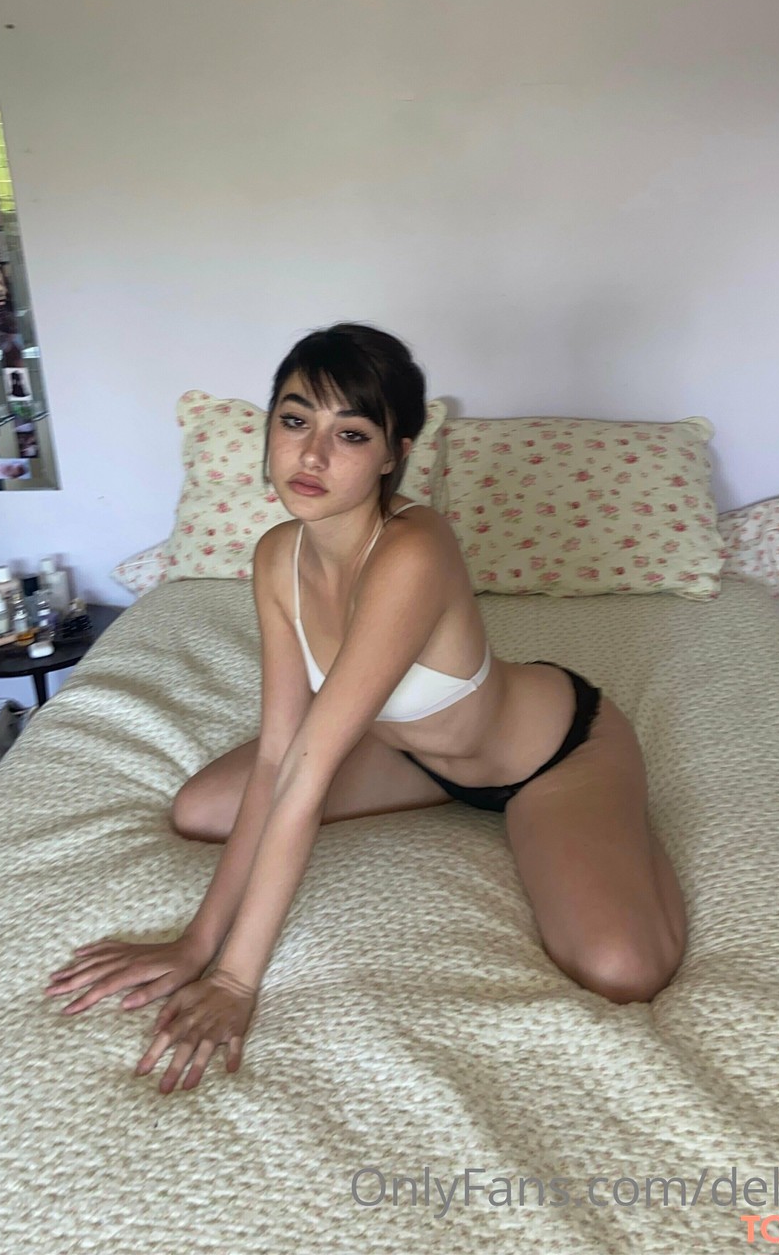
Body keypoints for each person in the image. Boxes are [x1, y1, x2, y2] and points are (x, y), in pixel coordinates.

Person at [46, 322, 687, 1094]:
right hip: (412, 753)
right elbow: (282, 751)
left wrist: (236, 981)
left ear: (394, 454)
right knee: (200, 809)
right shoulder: (276, 556)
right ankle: (466, 798)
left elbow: (309, 770)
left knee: (623, 970)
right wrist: (194, 944)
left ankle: (614, 814)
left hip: (553, 756)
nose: (312, 455)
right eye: (295, 421)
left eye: (349, 434)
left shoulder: (414, 548)